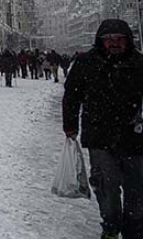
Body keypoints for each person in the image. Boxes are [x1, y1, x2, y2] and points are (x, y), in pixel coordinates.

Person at [63, 19, 143, 239]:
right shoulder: (86, 63)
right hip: (100, 137)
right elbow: (72, 95)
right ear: (101, 41)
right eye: (109, 40)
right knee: (106, 187)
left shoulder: (139, 63)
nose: (114, 43)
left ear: (127, 40)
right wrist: (70, 126)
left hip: (135, 139)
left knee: (136, 189)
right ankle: (110, 226)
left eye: (119, 39)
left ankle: (134, 229)